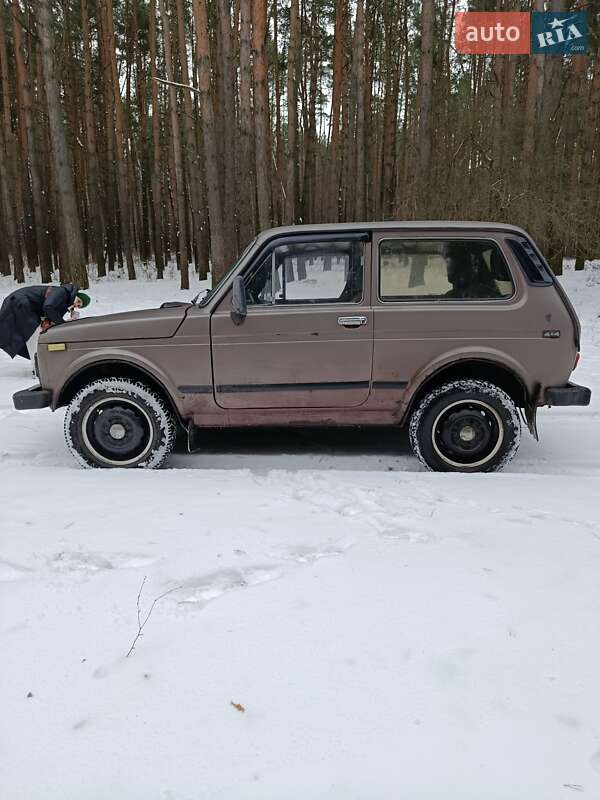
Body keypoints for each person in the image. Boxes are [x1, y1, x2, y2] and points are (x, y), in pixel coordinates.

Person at [0, 283, 91, 361]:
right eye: (78, 301)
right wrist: (63, 325)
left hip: (21, 304)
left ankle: (39, 362)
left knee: (24, 337)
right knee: (33, 335)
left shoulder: (65, 302)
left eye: (79, 306)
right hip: (21, 302)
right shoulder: (62, 292)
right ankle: (39, 364)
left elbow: (51, 313)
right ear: (76, 295)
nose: (77, 305)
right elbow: (48, 307)